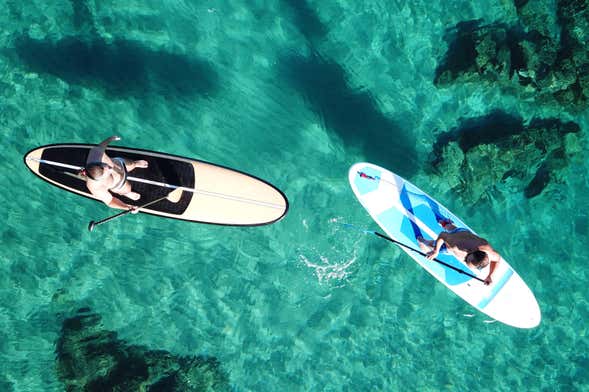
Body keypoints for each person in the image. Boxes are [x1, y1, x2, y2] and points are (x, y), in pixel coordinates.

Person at [417, 219, 501, 285]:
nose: (464, 260)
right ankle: (422, 240)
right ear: (471, 251)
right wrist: (436, 251)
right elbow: (443, 235)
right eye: (466, 260)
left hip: (463, 232)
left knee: (452, 228)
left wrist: (490, 275)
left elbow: (497, 259)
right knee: (432, 245)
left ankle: (445, 223)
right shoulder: (456, 246)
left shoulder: (489, 252)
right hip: (454, 241)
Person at [80, 136, 148, 211]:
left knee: (131, 163)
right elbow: (110, 201)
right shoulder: (94, 187)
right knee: (127, 189)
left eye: (106, 166)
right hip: (118, 184)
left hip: (119, 164)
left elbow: (102, 145)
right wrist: (127, 207)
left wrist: (110, 139)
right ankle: (126, 193)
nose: (110, 169)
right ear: (100, 179)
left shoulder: (95, 153)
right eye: (107, 172)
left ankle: (135, 163)